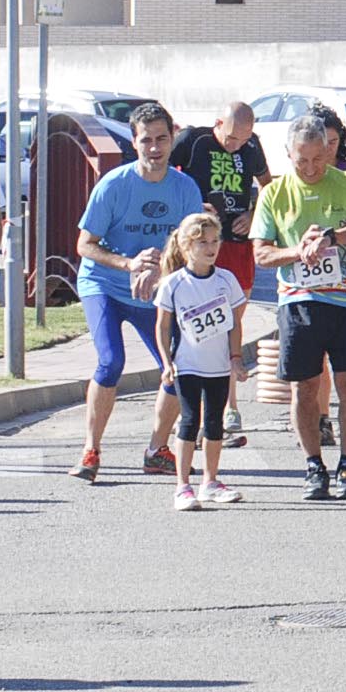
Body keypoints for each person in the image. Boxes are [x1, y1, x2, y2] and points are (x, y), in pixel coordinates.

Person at [252, 110, 346, 502]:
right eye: (302, 159)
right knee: (304, 388)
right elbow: (261, 254)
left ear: (329, 151)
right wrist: (297, 252)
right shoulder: (273, 194)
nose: (310, 167)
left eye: (318, 158)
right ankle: (313, 465)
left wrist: (331, 238)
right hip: (299, 302)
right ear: (288, 154)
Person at [69, 103, 203, 483]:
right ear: (134, 141)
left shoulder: (184, 188)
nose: (155, 148)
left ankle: (157, 449)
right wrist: (129, 264)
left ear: (172, 138)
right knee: (111, 361)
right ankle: (91, 449)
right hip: (106, 284)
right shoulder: (114, 184)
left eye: (162, 139)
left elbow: (192, 246)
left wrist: (161, 269)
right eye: (147, 140)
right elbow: (84, 245)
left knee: (177, 368)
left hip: (154, 289)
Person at [168, 101, 268, 434]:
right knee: (199, 325)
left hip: (237, 244)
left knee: (231, 322)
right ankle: (197, 407)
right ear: (218, 123)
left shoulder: (251, 146)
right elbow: (164, 178)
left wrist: (253, 215)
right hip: (201, 242)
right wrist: (192, 206)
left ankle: (230, 405)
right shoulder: (192, 141)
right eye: (230, 138)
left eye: (242, 140)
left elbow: (269, 188)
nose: (235, 145)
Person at [152, 213, 246, 510]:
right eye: (202, 242)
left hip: (218, 365)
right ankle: (182, 486)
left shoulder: (226, 280)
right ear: (185, 247)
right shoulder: (173, 284)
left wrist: (236, 358)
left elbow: (234, 323)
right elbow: (163, 326)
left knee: (215, 423)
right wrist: (167, 363)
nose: (210, 248)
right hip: (187, 365)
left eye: (214, 241)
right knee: (190, 421)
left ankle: (210, 481)